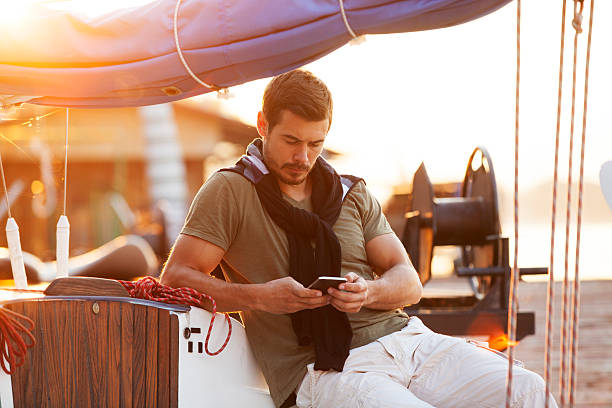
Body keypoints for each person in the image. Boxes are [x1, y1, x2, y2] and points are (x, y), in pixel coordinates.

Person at [160, 70, 556, 408]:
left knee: (526, 390)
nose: (303, 157)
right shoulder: (229, 190)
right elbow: (176, 278)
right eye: (291, 141)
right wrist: (262, 297)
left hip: (409, 342)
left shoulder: (352, 191)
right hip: (324, 369)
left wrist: (367, 292)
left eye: (315, 143)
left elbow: (408, 281)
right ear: (263, 125)